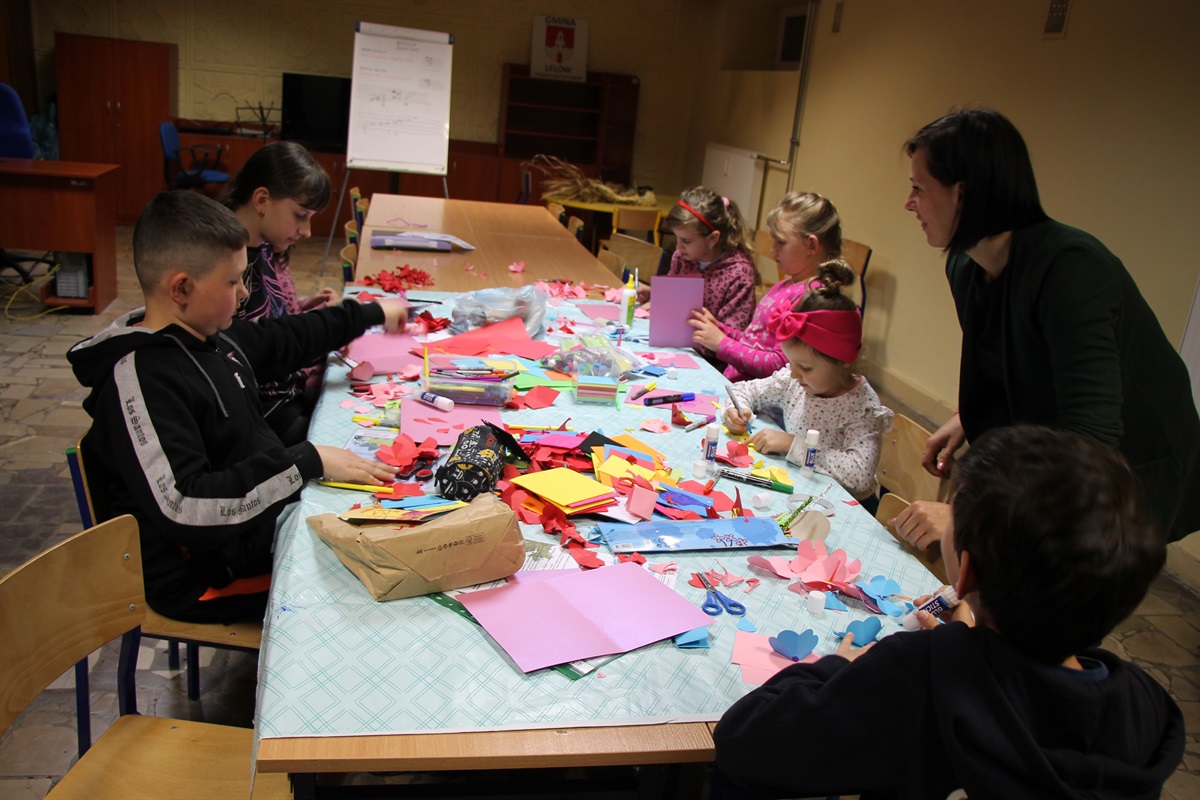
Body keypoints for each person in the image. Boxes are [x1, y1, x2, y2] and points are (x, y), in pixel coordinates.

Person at [714, 425, 1184, 799]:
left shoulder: (921, 672)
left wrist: (842, 667)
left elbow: (744, 742)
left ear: (967, 572)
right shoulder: (1144, 706)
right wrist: (971, 638)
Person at [68, 191, 406, 624]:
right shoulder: (142, 379)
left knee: (382, 537)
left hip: (246, 532)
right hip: (201, 576)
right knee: (376, 580)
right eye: (232, 282)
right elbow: (184, 507)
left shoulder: (208, 334)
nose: (245, 293)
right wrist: (303, 462)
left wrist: (369, 314)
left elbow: (286, 337)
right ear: (181, 288)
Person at [894, 108, 1200, 547]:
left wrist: (971, 515)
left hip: (1128, 462)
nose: (909, 203)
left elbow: (1091, 440)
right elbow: (1007, 361)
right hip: (1066, 451)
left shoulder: (1072, 269)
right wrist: (969, 417)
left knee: (1069, 566)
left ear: (964, 193)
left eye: (919, 188)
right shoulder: (966, 265)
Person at [724, 261, 892, 502]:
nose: (793, 373)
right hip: (803, 488)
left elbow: (860, 475)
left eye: (805, 367)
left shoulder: (861, 406)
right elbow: (744, 389)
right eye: (791, 363)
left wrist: (793, 445)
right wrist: (737, 410)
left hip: (845, 504)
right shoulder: (796, 381)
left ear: (843, 360)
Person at [223, 140, 341, 445]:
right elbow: (262, 348)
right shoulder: (228, 267)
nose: (307, 231)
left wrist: (307, 313)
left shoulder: (264, 249)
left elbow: (272, 322)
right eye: (300, 215)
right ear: (262, 199)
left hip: (286, 394)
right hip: (264, 416)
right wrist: (328, 327)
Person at [689, 192, 845, 382]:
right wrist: (719, 329)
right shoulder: (784, 285)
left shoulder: (812, 299)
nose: (773, 250)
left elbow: (781, 366)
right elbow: (754, 341)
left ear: (811, 245)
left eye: (781, 242)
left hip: (759, 397)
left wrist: (722, 344)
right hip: (738, 387)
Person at [641, 186, 758, 338]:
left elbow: (732, 337)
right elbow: (675, 301)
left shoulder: (739, 274)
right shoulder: (681, 257)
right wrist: (656, 297)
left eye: (686, 241)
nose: (678, 247)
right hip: (678, 341)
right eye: (677, 238)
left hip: (711, 351)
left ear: (713, 239)